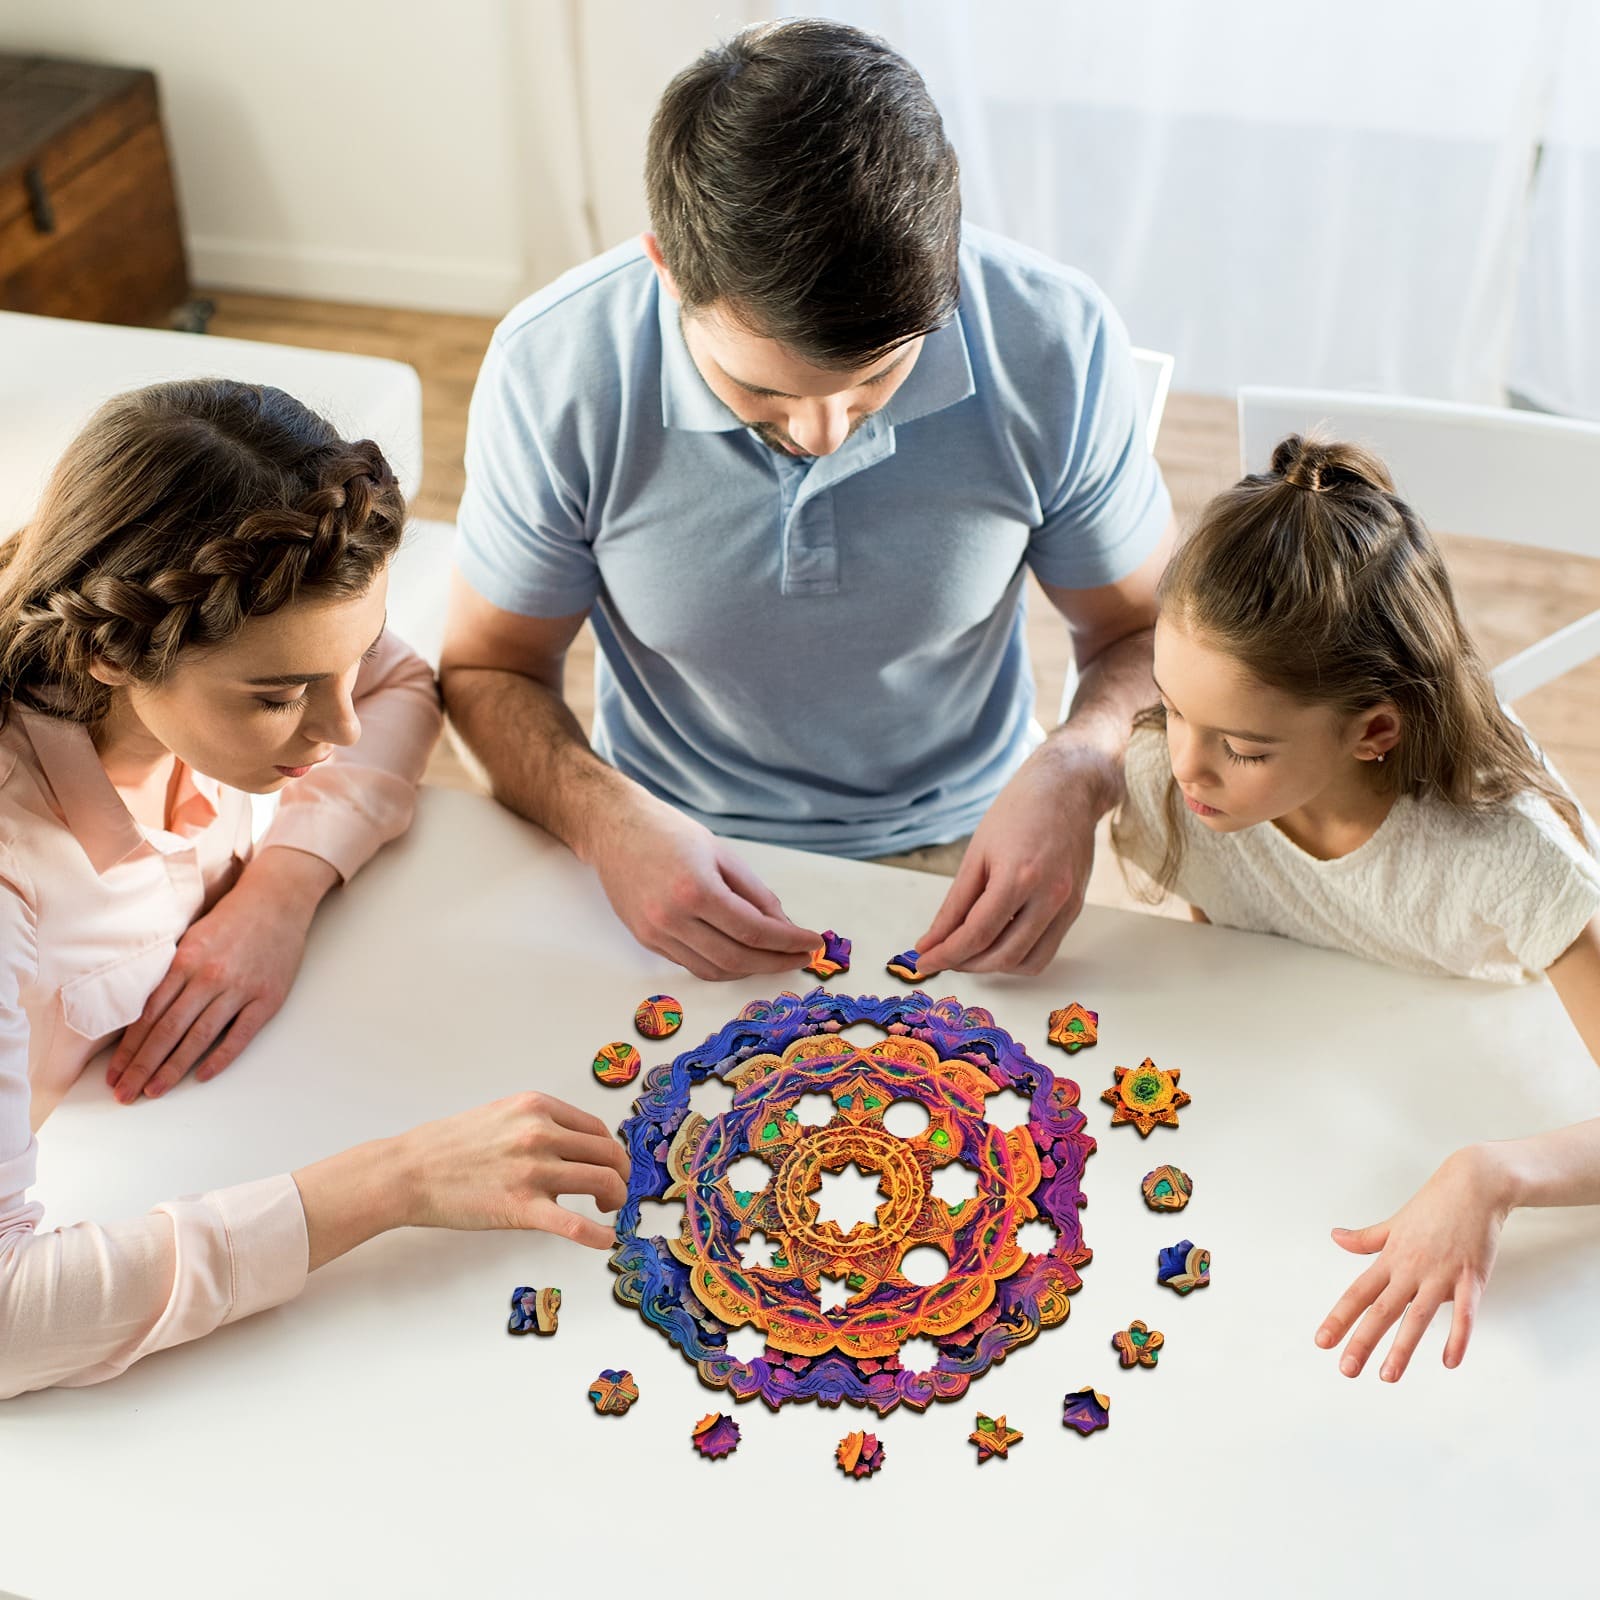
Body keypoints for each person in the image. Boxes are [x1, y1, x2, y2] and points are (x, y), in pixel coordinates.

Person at [440, 18, 1175, 982]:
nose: (826, 434)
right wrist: (601, 817)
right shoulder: (555, 370)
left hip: (974, 838)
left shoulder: (1053, 340)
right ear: (668, 270)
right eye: (766, 393)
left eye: (877, 383)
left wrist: (1079, 771)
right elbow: (488, 672)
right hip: (658, 843)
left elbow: (1147, 638)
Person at [0, 380, 628, 1399]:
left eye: (340, 661)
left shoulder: (232, 640)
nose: (334, 731)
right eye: (278, 696)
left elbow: (394, 686)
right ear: (111, 650)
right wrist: (397, 1180)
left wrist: (280, 891)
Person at [1112, 432, 1600, 1384]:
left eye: (1242, 748)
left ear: (1375, 730)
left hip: (1504, 1066)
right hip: (1323, 1103)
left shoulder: (1509, 857)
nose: (1184, 767)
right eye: (1171, 708)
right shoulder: (1172, 788)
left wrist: (1491, 1176)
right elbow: (1246, 954)